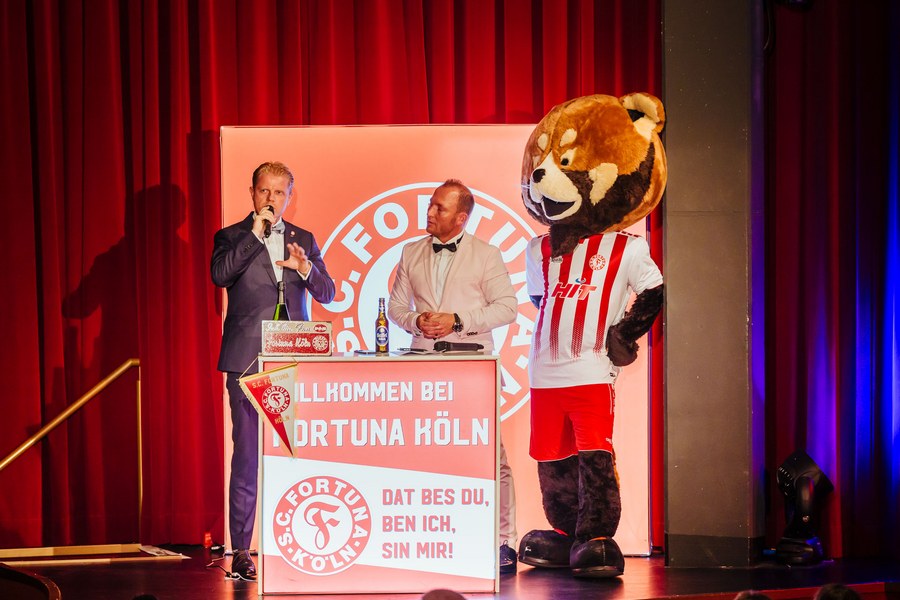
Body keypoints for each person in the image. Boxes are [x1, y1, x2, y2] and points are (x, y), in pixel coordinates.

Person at [211, 161, 335, 580]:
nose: (271, 199)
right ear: (252, 193)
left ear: (289, 197)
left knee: (296, 455)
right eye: (264, 191)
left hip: (294, 360)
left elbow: (328, 292)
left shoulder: (304, 239)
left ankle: (301, 542)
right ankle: (242, 551)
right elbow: (220, 275)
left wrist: (305, 267)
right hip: (246, 360)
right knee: (247, 457)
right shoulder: (231, 236)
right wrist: (255, 235)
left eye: (279, 193)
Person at [387, 179, 519, 574]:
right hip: (422, 367)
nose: (429, 212)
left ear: (461, 218)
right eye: (430, 205)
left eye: (439, 208)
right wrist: (417, 321)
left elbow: (507, 307)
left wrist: (457, 321)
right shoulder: (411, 251)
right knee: (425, 454)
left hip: (472, 367)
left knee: (490, 457)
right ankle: (430, 540)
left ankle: (503, 542)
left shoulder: (486, 254)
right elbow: (395, 307)